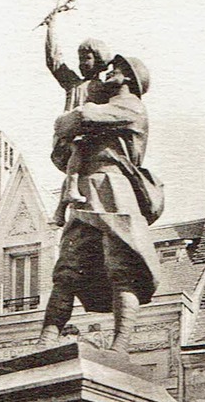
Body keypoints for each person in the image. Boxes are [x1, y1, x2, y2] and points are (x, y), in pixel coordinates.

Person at [37, 54, 161, 353]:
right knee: (67, 270)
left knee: (121, 269)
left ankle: (120, 345)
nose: (110, 71)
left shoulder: (131, 106)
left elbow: (80, 118)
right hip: (87, 190)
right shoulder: (105, 105)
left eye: (117, 70)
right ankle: (45, 341)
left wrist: (67, 120)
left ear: (129, 79)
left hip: (113, 190)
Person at [44, 6, 112, 225]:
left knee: (83, 155)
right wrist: (51, 26)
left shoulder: (105, 89)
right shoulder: (74, 84)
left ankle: (60, 209)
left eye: (88, 58)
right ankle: (70, 191)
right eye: (80, 58)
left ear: (99, 60)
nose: (83, 63)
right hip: (68, 141)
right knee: (78, 148)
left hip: (91, 145)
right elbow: (54, 61)